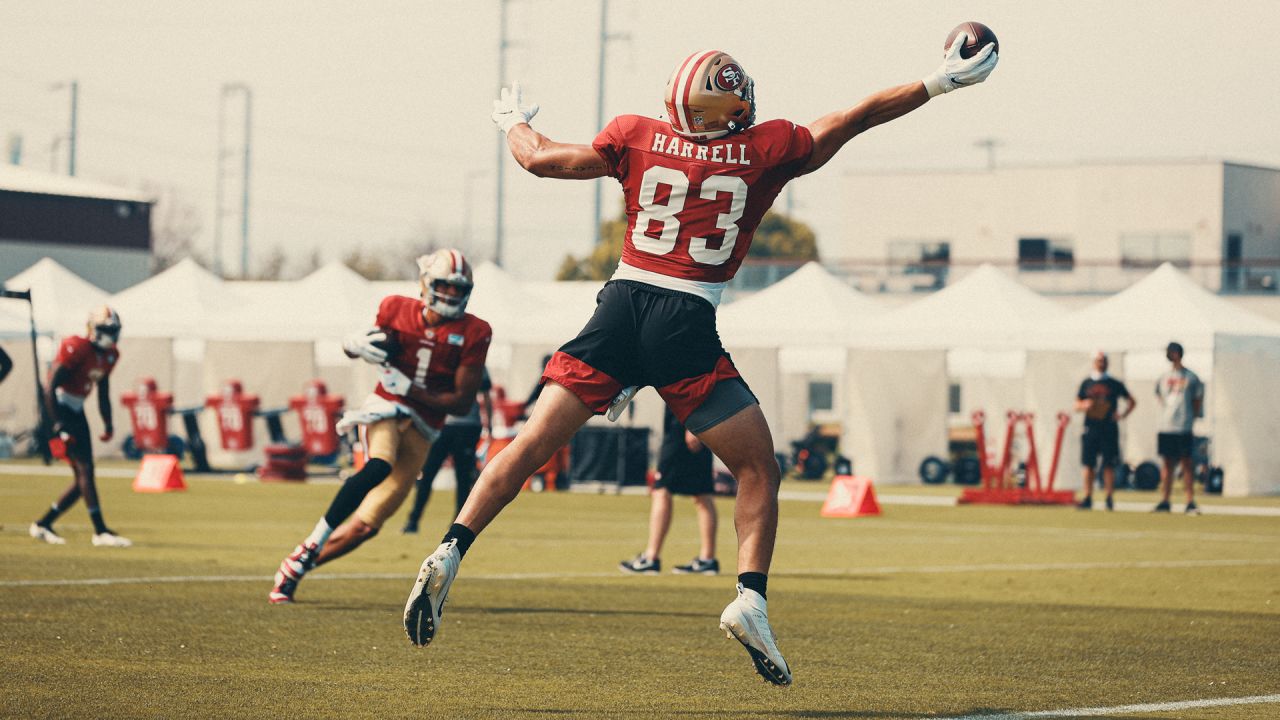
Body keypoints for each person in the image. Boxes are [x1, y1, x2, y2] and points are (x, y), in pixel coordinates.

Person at [402, 38, 998, 686]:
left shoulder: (634, 134)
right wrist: (938, 81)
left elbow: (540, 159)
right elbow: (852, 118)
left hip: (620, 308)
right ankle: (750, 598)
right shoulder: (762, 148)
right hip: (685, 319)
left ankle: (451, 550)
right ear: (728, 108)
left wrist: (512, 120)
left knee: (529, 444)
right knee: (756, 468)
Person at [268, 249, 491, 604]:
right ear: (427, 284)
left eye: (457, 289)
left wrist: (413, 391)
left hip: (425, 428)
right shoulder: (395, 308)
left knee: (367, 526)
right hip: (384, 408)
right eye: (444, 286)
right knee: (379, 464)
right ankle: (312, 542)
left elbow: (462, 401)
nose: (450, 295)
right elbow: (375, 345)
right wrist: (351, 346)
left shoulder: (475, 331)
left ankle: (296, 567)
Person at [29, 306, 131, 547]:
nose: (112, 334)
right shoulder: (77, 346)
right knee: (85, 471)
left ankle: (43, 524)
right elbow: (50, 387)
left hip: (76, 409)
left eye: (114, 330)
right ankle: (100, 531)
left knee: (83, 477)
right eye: (107, 329)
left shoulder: (110, 355)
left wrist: (107, 422)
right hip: (59, 407)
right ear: (93, 329)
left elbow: (103, 391)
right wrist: (57, 425)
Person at [619, 406, 719, 575]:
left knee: (662, 489)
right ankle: (707, 559)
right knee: (701, 493)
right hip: (692, 421)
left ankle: (651, 558)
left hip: (685, 423)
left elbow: (700, 384)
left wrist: (692, 426)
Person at [402, 367, 493, 533]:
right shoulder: (459, 357)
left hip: (464, 425)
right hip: (444, 424)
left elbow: (485, 394)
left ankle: (457, 524)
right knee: (429, 473)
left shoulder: (473, 359)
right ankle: (414, 520)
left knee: (461, 478)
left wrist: (489, 422)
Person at [1074, 350, 1135, 511]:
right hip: (1090, 427)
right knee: (1088, 464)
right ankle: (1088, 497)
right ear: (1094, 362)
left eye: (1104, 360)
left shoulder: (1114, 383)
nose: (1101, 363)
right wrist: (1085, 405)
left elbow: (1131, 401)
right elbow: (1076, 404)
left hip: (1108, 428)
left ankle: (1109, 497)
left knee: (1109, 464)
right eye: (1099, 360)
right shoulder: (1087, 383)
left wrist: (1121, 415)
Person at [1153, 341, 1204, 515]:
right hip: (1166, 426)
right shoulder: (1163, 377)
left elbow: (1197, 401)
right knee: (1167, 464)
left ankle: (1189, 500)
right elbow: (1159, 396)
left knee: (1186, 464)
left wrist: (1190, 418)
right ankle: (1165, 500)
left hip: (1184, 427)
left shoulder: (1191, 377)